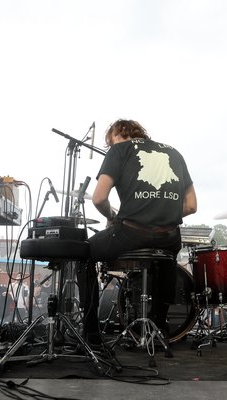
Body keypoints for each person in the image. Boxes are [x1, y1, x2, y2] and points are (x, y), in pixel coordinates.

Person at [78, 119, 197, 345]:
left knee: (83, 254)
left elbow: (99, 198)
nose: (111, 145)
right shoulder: (175, 154)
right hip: (169, 237)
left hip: (132, 233)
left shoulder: (119, 151)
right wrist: (162, 210)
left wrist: (112, 217)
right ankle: (159, 326)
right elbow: (191, 206)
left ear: (118, 135)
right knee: (167, 255)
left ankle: (91, 334)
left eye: (111, 141)